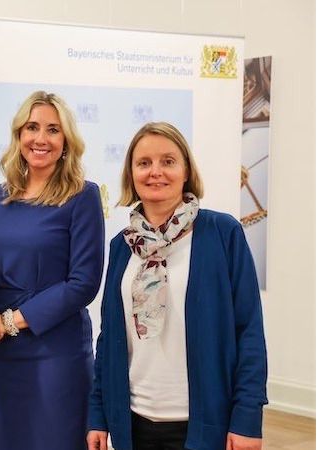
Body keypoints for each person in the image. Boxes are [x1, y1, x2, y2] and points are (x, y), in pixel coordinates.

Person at [86, 122, 267, 450]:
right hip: (133, 423)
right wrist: (98, 414)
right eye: (144, 163)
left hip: (205, 424)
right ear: (131, 174)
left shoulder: (222, 233)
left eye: (168, 161)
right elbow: (109, 337)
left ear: (186, 172)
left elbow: (249, 331)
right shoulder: (121, 246)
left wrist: (247, 418)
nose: (155, 171)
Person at [0, 91, 104, 450]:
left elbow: (83, 283)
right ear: (19, 135)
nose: (40, 138)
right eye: (32, 127)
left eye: (53, 129)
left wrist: (10, 321)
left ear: (66, 141)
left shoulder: (83, 196)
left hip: (55, 352)